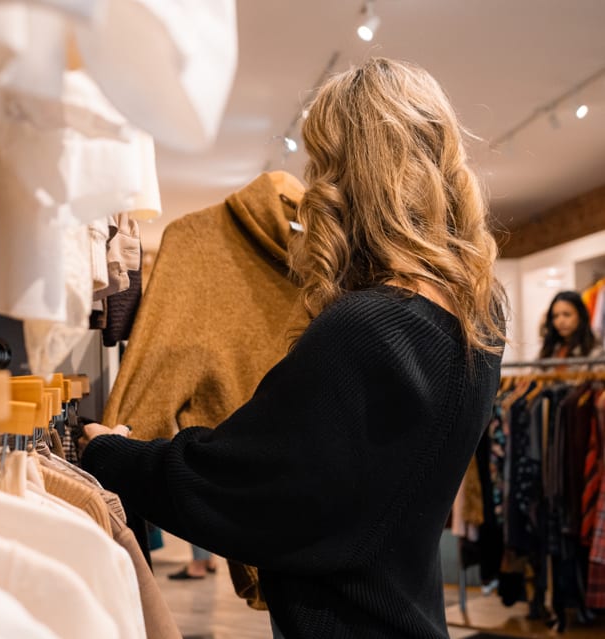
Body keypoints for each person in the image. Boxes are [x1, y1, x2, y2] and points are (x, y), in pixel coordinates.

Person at [79, 57, 506, 639]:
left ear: (350, 173)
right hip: (412, 613)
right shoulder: (480, 314)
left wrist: (110, 454)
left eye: (324, 161)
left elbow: (248, 486)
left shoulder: (367, 326)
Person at [539, 290, 602, 360]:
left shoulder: (595, 352)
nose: (560, 321)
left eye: (567, 314)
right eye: (555, 316)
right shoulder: (549, 350)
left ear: (580, 316)